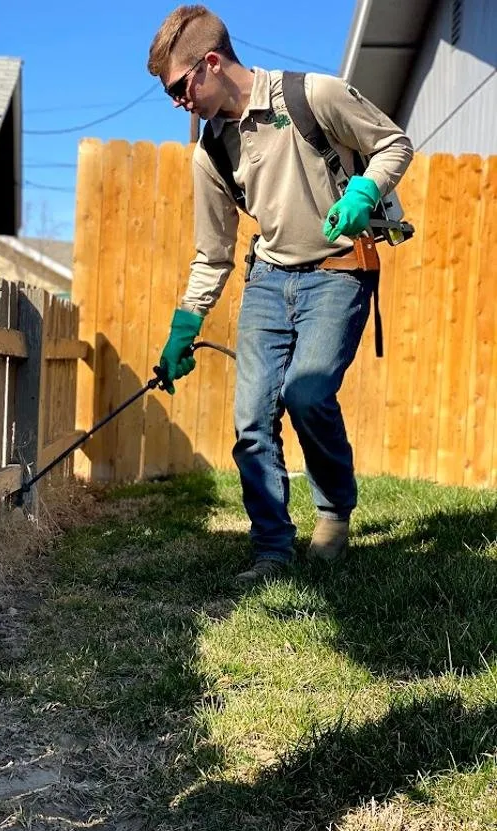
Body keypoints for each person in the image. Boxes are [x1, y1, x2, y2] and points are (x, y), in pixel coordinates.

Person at [147, 5, 413, 584]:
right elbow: (212, 253)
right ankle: (272, 548)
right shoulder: (211, 153)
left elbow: (395, 143)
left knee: (308, 395)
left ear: (210, 63)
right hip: (268, 281)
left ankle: (333, 511)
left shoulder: (312, 95)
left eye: (178, 87)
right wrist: (184, 327)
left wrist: (365, 191)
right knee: (252, 419)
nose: (177, 102)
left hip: (338, 271)